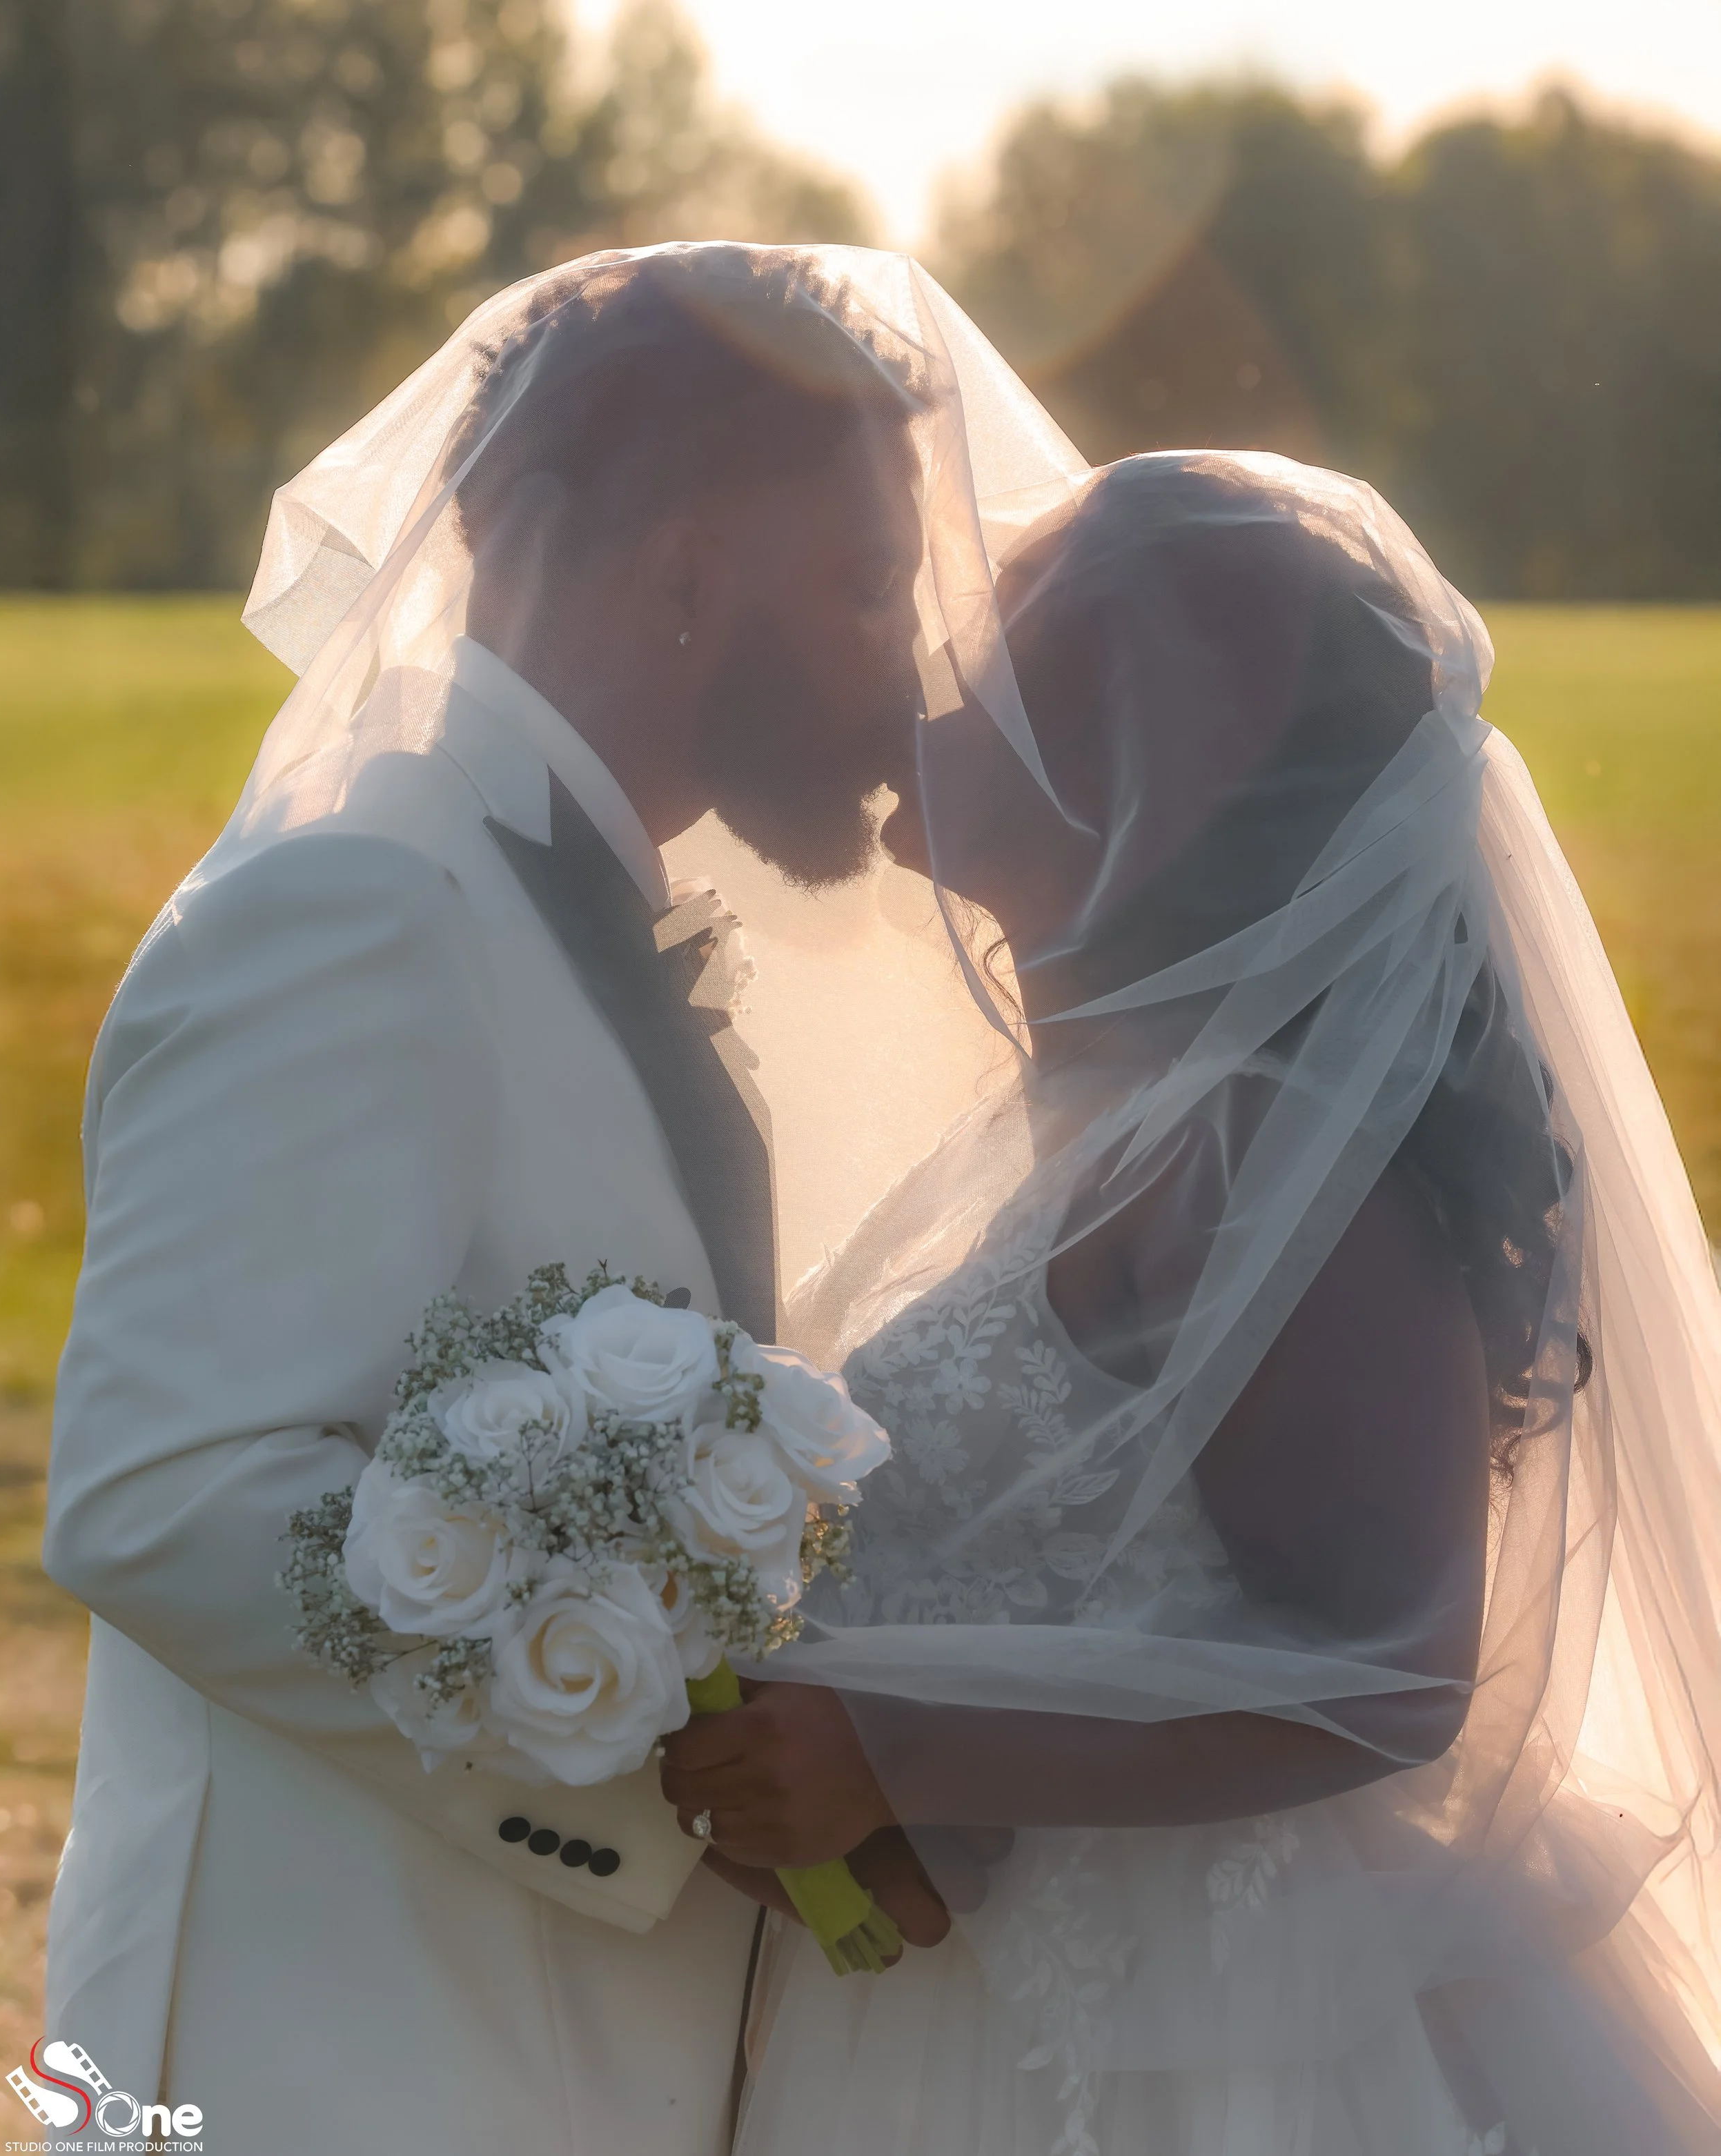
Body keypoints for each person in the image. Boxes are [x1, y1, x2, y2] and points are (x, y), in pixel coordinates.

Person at [661, 453, 1721, 2153]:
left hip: (1217, 2038)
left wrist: (899, 1748)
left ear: (1132, 774)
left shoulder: (1253, 1148)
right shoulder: (1117, 1110)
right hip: (1002, 1969)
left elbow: (1387, 1679)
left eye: (1002, 666)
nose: (927, 693)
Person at [41, 244, 949, 2153]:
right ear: (690, 577)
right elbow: (163, 1486)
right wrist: (682, 1773)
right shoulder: (363, 902)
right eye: (869, 583)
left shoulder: (562, 901)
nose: (913, 669)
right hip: (342, 2051)